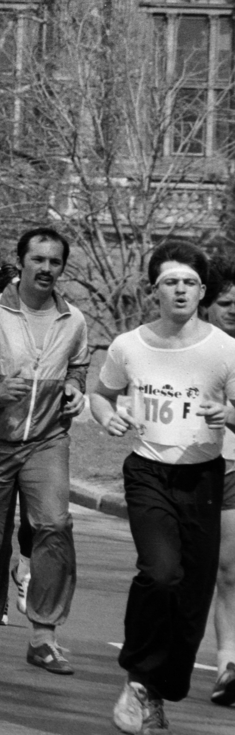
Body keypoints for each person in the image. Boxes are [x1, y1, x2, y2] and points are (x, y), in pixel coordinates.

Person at [91, 240, 234, 734]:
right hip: (148, 470)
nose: (180, 290)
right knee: (160, 572)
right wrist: (108, 415)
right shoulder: (128, 346)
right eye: (170, 281)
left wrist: (228, 414)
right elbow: (101, 392)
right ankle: (136, 676)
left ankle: (156, 692)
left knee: (194, 595)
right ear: (154, 289)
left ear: (201, 290)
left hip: (203, 476)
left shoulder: (223, 349)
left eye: (189, 282)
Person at [0, 226, 90, 683]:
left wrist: (73, 387)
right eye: (38, 260)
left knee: (54, 526)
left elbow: (79, 365)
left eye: (55, 261)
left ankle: (43, 634)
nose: (46, 268)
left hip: (46, 440)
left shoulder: (75, 321)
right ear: (22, 263)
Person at [200, 257, 235, 707]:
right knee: (214, 571)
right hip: (201, 467)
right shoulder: (195, 347)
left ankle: (229, 664)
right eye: (225, 302)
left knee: (230, 570)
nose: (233, 309)